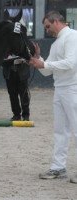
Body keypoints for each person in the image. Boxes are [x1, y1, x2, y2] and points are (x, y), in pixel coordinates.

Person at [29, 11, 77, 183]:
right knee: (60, 131)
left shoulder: (72, 36)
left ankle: (59, 167)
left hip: (73, 88)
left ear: (56, 21)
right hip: (60, 89)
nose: (47, 30)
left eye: (48, 26)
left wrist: (45, 63)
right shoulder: (58, 42)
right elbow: (48, 72)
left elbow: (71, 63)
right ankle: (58, 167)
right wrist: (38, 59)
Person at [2, 55, 30, 121]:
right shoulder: (4, 45)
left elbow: (29, 54)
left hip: (22, 71)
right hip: (9, 72)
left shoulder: (24, 45)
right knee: (12, 94)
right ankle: (16, 115)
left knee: (24, 94)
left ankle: (26, 115)